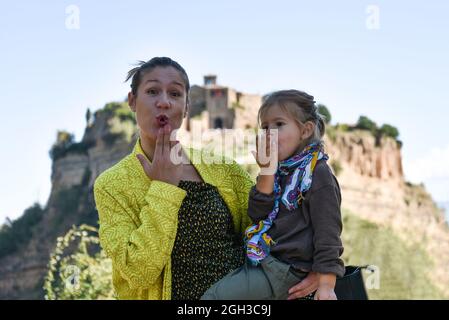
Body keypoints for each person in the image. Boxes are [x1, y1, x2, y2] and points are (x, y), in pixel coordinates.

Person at [93, 57, 319, 299]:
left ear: (187, 107)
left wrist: (319, 266)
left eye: (175, 94)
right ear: (132, 101)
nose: (164, 102)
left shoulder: (224, 170)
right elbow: (139, 271)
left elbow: (273, 222)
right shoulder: (112, 185)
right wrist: (163, 188)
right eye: (152, 91)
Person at [202, 90, 345, 300]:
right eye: (265, 127)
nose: (269, 132)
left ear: (305, 131)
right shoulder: (280, 170)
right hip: (266, 260)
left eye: (278, 124)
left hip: (286, 269)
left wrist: (326, 285)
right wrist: (267, 172)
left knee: (214, 298)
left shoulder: (317, 173)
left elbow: (328, 231)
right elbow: (258, 215)